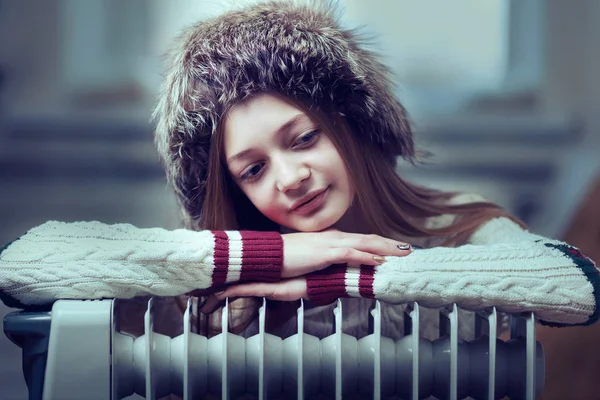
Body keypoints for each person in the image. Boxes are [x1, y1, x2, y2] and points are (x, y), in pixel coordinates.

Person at [0, 1, 598, 341]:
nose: (289, 178)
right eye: (253, 169)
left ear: (351, 129)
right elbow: (22, 267)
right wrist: (276, 258)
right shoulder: (216, 264)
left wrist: (344, 279)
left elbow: (574, 288)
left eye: (304, 139)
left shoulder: (451, 220)